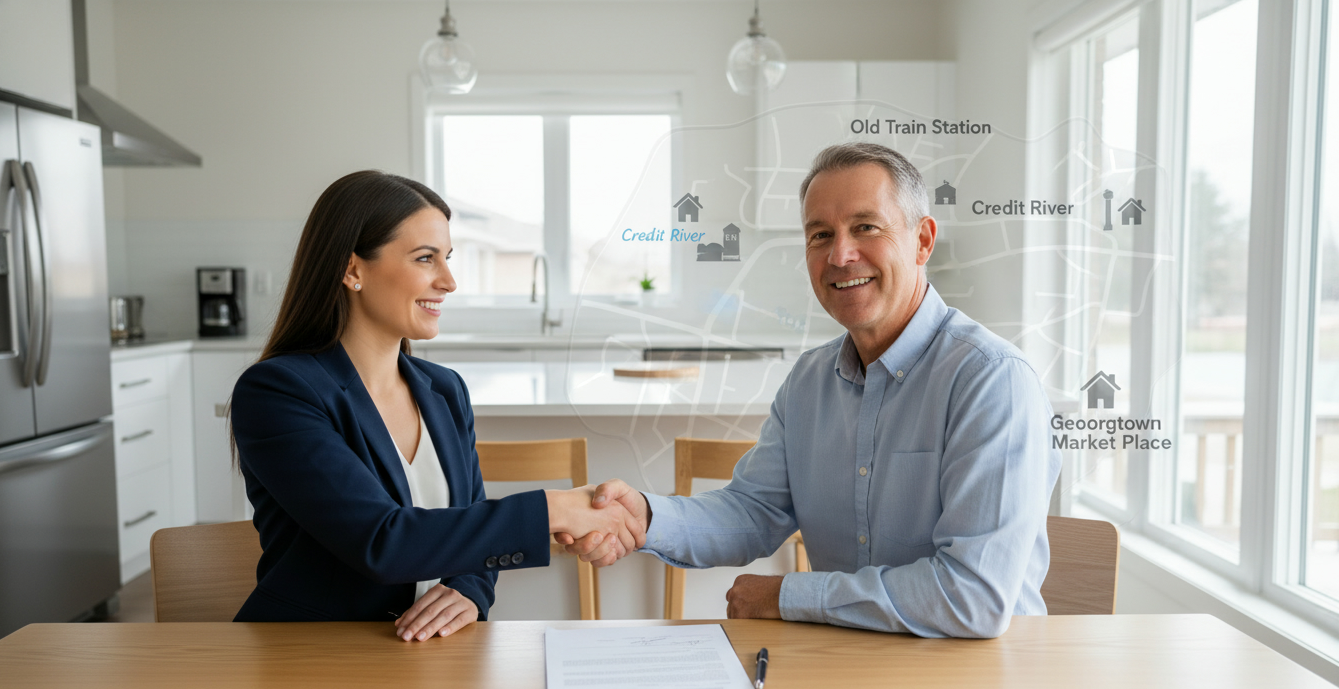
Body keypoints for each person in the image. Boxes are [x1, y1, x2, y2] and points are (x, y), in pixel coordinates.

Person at [564, 143, 1060, 638]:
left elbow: (970, 597)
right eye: (820, 235)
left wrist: (787, 596)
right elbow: (753, 511)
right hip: (843, 665)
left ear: (922, 242)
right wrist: (646, 516)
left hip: (975, 682)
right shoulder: (809, 381)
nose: (840, 255)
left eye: (866, 227)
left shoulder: (991, 380)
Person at [230, 170, 644, 640]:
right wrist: (555, 508)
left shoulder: (444, 390)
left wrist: (468, 588)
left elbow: (467, 517)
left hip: (427, 658)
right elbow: (382, 540)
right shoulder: (278, 392)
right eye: (426, 259)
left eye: (447, 258)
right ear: (352, 270)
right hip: (312, 656)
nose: (448, 281)